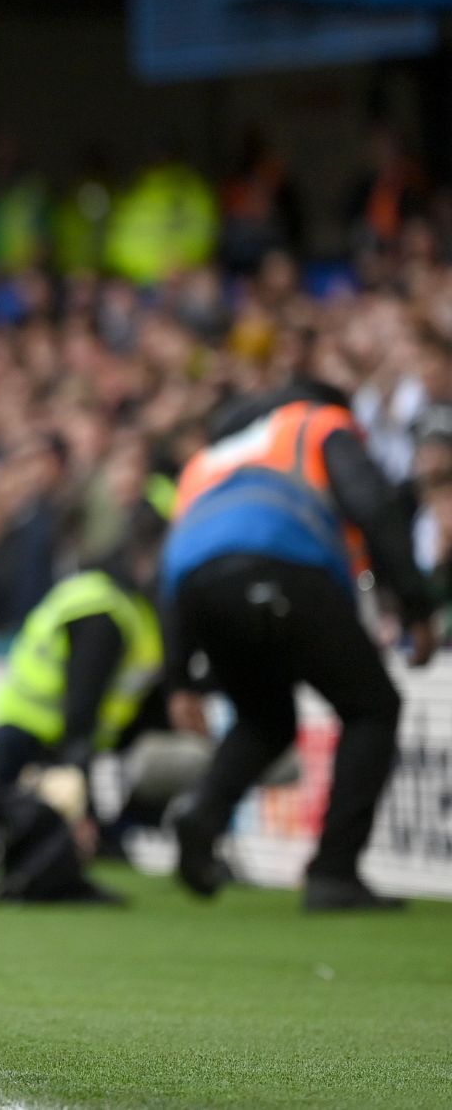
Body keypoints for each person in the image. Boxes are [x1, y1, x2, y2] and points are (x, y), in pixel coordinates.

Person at [161, 379, 438, 912]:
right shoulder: (318, 422)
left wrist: (179, 678)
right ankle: (334, 872)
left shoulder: (206, 463)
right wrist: (415, 604)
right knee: (372, 707)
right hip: (282, 561)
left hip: (198, 590)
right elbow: (372, 505)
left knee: (265, 717)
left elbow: (174, 565)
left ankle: (202, 813)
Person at [0, 501, 176, 834]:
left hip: (42, 738)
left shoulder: (124, 605)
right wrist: (82, 805)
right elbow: (81, 711)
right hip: (33, 742)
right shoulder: (103, 609)